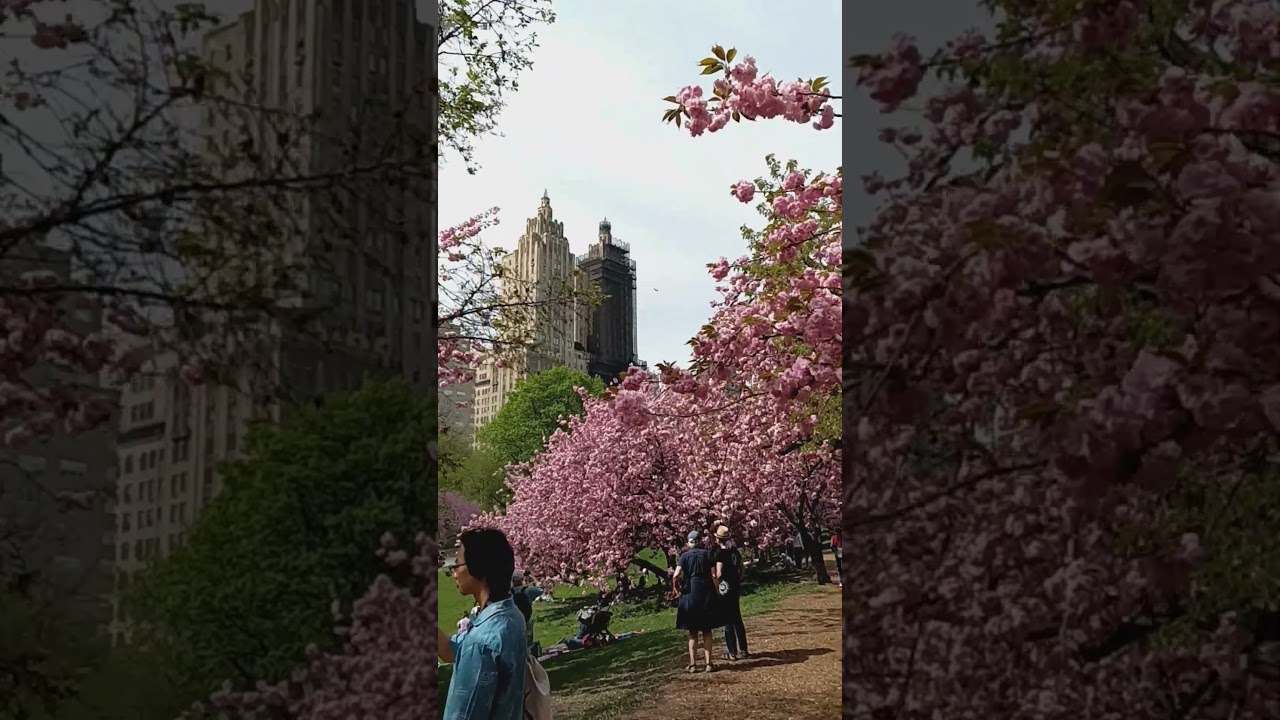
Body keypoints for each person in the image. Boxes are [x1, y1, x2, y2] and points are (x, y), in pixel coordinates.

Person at [438, 528, 527, 720]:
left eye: (458, 564)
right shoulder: (512, 615)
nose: (454, 572)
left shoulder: (481, 642)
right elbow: (450, 650)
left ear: (480, 568)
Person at [671, 530, 719, 673]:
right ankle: (709, 663)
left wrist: (676, 588)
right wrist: (716, 590)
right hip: (706, 593)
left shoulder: (684, 557)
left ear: (689, 542)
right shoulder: (707, 554)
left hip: (690, 594)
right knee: (706, 630)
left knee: (692, 631)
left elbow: (676, 575)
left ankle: (692, 664)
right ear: (701, 541)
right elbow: (714, 575)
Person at [712, 525, 749, 660]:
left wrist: (716, 580)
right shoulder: (734, 551)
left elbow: (719, 572)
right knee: (737, 618)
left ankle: (732, 651)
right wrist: (737, 577)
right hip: (735, 586)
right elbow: (742, 568)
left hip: (725, 587)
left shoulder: (720, 553)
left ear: (718, 539)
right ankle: (744, 650)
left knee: (727, 619)